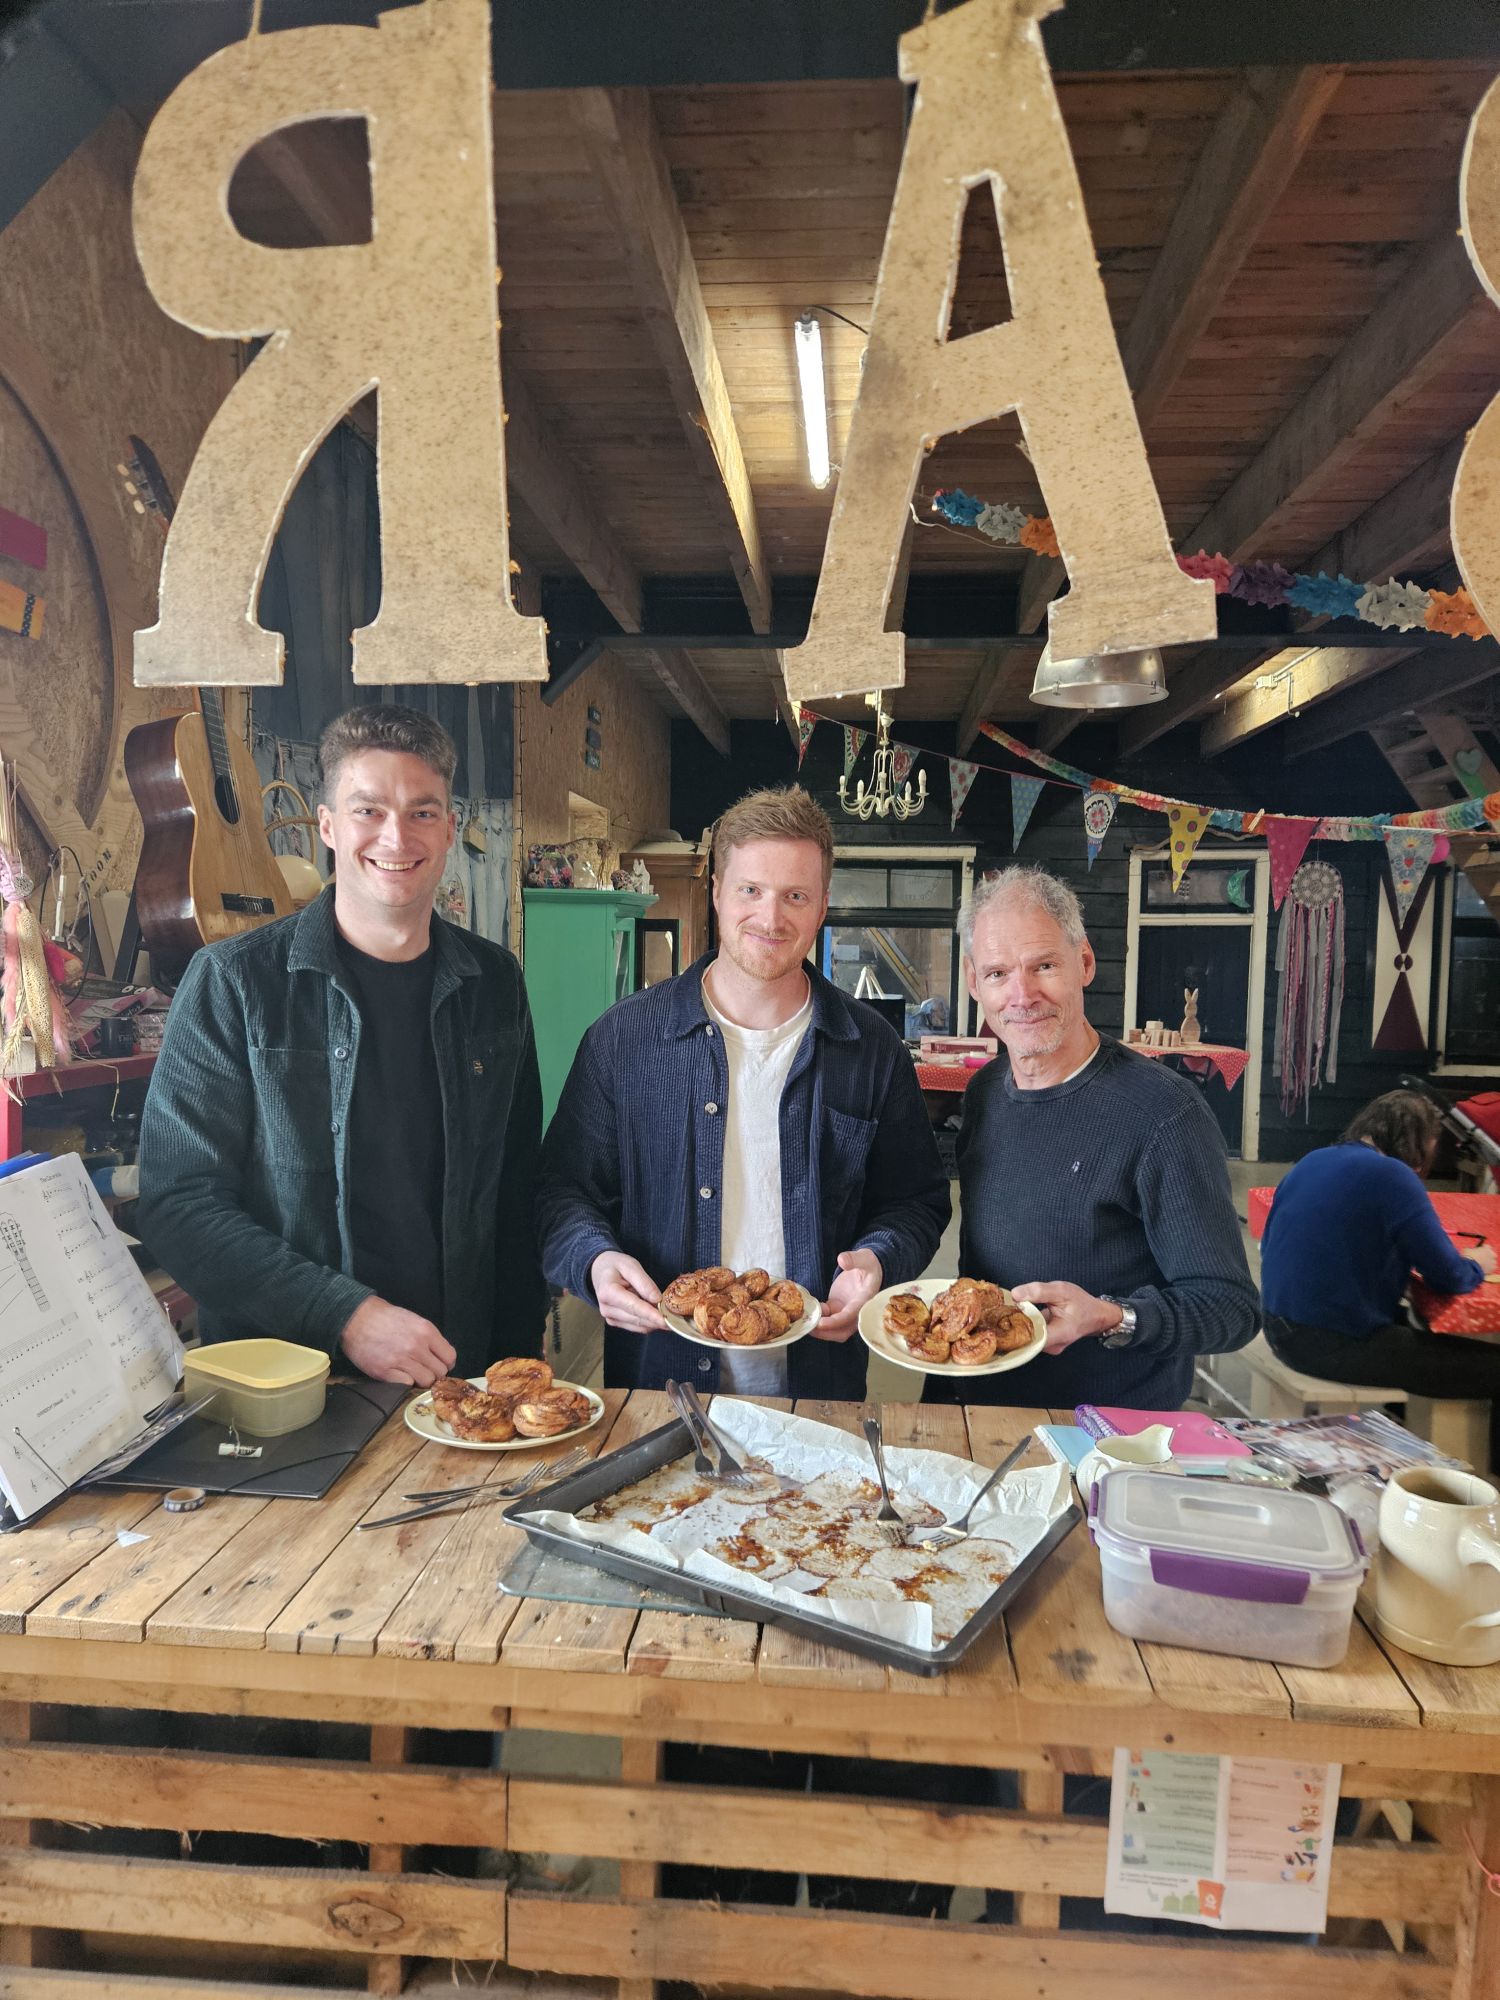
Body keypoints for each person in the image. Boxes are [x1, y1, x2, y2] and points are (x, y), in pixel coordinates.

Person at [139, 702, 546, 1385]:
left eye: (421, 812)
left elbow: (516, 1188)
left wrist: (518, 1362)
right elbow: (178, 1203)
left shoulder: (494, 982)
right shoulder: (234, 981)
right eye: (368, 810)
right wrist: (344, 1315)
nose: (396, 835)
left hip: (457, 1377)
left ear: (449, 829)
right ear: (327, 826)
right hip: (289, 1386)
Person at [535, 783, 949, 1399]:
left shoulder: (871, 1049)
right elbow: (561, 1193)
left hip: (818, 1393)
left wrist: (878, 1259)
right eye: (751, 890)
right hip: (660, 1392)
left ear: (822, 905)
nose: (771, 918)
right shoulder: (622, 1041)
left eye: (795, 896)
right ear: (717, 892)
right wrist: (594, 1260)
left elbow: (916, 1201)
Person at [930, 864, 1257, 1409]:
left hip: (1100, 1426)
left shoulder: (1165, 1115)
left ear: (1084, 962)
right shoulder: (985, 1091)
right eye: (997, 973)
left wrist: (1113, 1316)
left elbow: (1231, 1307)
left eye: (1044, 965)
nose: (1022, 995)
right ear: (972, 981)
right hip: (972, 1402)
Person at [1262, 1090, 1500, 1459]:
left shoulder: (1316, 1158)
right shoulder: (1393, 1176)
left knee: (1419, 1329)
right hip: (1327, 1343)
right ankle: (1485, 1476)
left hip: (1279, 1326)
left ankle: (1402, 1428)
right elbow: (1449, 1277)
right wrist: (1477, 1263)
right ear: (1420, 1140)